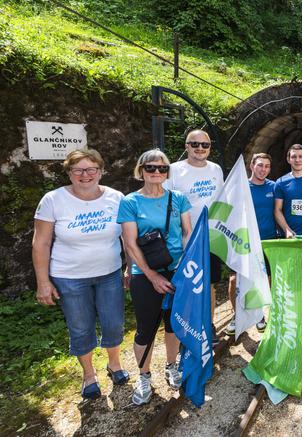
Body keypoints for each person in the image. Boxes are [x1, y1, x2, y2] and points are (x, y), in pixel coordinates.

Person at [33, 149, 127, 399]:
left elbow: (127, 236)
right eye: (78, 170)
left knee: (114, 322)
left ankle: (114, 364)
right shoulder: (53, 200)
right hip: (69, 277)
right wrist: (43, 282)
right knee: (80, 327)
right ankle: (89, 375)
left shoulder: (116, 198)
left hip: (109, 273)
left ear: (101, 171)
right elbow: (40, 243)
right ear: (69, 173)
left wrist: (131, 267)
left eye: (91, 169)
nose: (85, 175)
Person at [117, 149, 192, 406]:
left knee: (173, 323)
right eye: (151, 168)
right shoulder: (130, 202)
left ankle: (171, 365)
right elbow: (130, 243)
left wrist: (186, 263)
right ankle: (144, 375)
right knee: (146, 328)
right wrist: (150, 275)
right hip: (144, 272)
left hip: (176, 270)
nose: (157, 172)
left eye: (162, 168)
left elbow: (186, 232)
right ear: (141, 170)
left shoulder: (179, 198)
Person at [164, 129, 224, 341]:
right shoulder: (173, 170)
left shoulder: (216, 169)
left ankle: (208, 325)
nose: (200, 148)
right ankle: (186, 327)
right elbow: (165, 203)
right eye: (195, 144)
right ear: (186, 146)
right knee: (186, 284)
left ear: (210, 148)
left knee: (210, 283)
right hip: (185, 240)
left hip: (211, 237)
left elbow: (222, 200)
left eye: (205, 145)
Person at [226, 153, 277, 335]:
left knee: (265, 280)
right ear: (251, 166)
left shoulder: (273, 187)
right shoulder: (241, 187)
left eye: (267, 166)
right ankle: (236, 315)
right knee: (235, 280)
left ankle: (259, 315)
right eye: (260, 165)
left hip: (267, 240)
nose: (263, 169)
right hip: (243, 242)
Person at [274, 144, 302, 238]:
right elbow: (277, 210)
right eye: (294, 157)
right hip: (289, 235)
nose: (297, 160)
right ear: (288, 159)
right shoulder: (280, 182)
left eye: (300, 156)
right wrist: (287, 230)